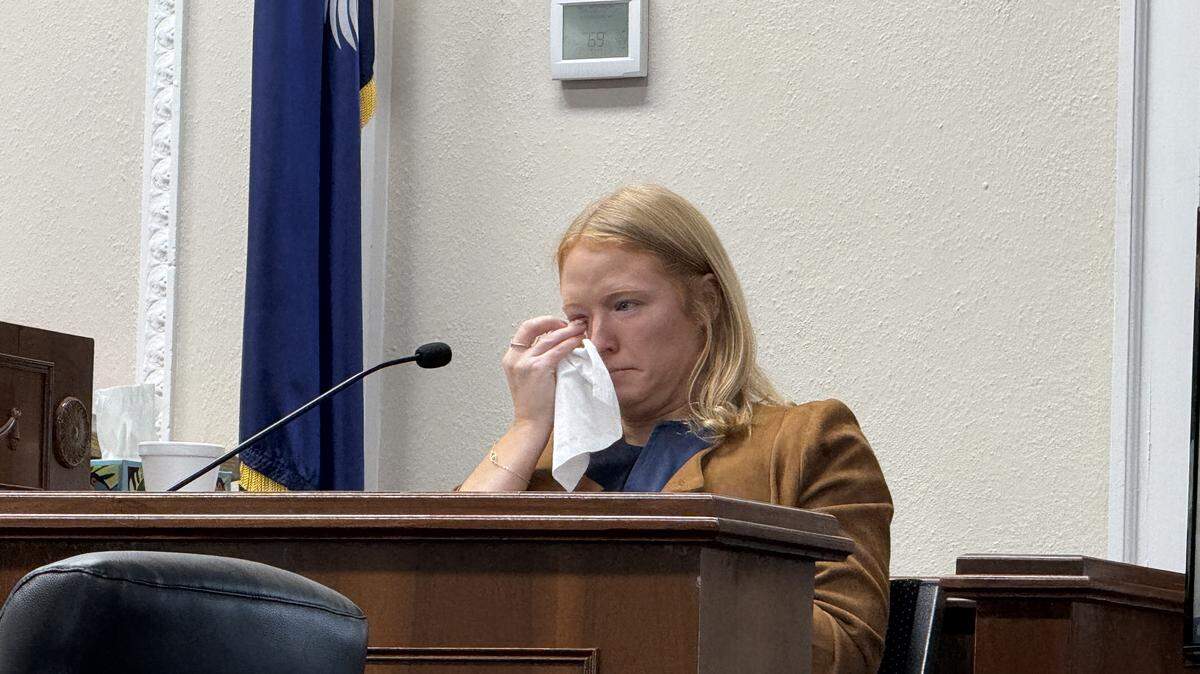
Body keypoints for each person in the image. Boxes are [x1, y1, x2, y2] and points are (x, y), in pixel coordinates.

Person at [460, 184, 892, 673]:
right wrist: (527, 425)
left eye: (625, 305)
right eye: (578, 318)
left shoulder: (805, 442)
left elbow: (846, 651)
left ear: (705, 302)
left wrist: (662, 588)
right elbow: (434, 594)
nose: (599, 341)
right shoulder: (547, 464)